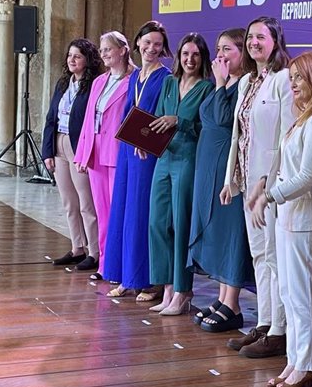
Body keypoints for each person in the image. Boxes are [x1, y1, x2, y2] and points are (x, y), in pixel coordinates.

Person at [249, 51, 312, 387]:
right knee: (287, 290)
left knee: (302, 295)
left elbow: (307, 176)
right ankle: (295, 360)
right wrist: (265, 188)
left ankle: (307, 365)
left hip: (305, 217)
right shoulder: (303, 118)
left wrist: (269, 196)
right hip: (287, 216)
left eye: (300, 78)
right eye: (292, 78)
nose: (294, 84)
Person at [222, 16, 293, 358]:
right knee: (259, 255)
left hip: (272, 186)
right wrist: (230, 179)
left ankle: (279, 330)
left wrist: (269, 183)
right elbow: (239, 134)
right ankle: (264, 323)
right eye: (249, 37)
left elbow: (286, 137)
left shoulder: (284, 79)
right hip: (247, 180)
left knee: (275, 258)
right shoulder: (248, 80)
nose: (253, 43)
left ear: (276, 41)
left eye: (260, 37)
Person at [188, 28, 254, 333]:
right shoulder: (225, 83)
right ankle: (222, 297)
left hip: (231, 170)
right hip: (208, 166)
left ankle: (234, 303)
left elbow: (226, 118)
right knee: (215, 228)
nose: (220, 55)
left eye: (228, 49)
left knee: (231, 233)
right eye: (218, 49)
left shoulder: (243, 85)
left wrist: (220, 82)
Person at [103, 21, 172, 299]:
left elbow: (165, 117)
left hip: (148, 154)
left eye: (157, 44)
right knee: (122, 210)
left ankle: (146, 280)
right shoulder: (134, 76)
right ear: (138, 44)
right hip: (129, 152)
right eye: (147, 42)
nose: (151, 48)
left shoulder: (166, 78)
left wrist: (145, 142)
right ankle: (125, 276)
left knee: (142, 214)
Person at [148, 33, 214, 316]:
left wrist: (181, 122)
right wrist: (145, 143)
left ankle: (182, 290)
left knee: (179, 224)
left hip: (187, 158)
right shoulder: (168, 83)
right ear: (178, 56)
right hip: (163, 158)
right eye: (185, 54)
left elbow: (207, 130)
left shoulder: (207, 88)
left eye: (195, 55)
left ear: (202, 59)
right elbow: (156, 119)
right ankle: (166, 287)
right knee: (157, 223)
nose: (189, 59)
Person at [74, 31, 134, 280]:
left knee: (118, 213)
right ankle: (105, 265)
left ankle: (120, 267)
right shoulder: (100, 81)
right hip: (97, 153)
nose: (104, 53)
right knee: (102, 213)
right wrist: (82, 153)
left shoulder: (135, 79)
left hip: (118, 153)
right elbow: (89, 119)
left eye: (108, 48)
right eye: (102, 50)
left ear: (123, 50)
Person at [42, 39, 103, 272]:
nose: (71, 60)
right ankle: (77, 247)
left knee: (86, 203)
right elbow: (51, 118)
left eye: (77, 56)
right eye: (69, 55)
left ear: (88, 59)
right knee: (69, 202)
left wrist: (86, 152)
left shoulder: (94, 85)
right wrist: (47, 151)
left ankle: (94, 252)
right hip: (59, 142)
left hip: (79, 146)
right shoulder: (63, 83)